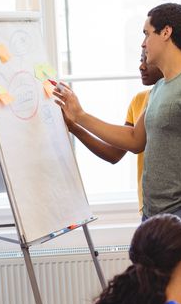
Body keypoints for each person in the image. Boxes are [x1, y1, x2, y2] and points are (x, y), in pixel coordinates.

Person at [54, 3, 181, 295]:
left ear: (166, 32)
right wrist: (78, 118)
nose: (143, 43)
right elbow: (135, 139)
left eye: (147, 33)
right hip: (154, 215)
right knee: (162, 303)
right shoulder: (160, 88)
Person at [65, 51, 163, 212]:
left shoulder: (172, 97)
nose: (141, 66)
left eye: (148, 61)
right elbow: (113, 154)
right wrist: (73, 126)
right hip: (149, 207)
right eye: (140, 60)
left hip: (173, 207)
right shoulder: (139, 100)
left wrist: (80, 117)